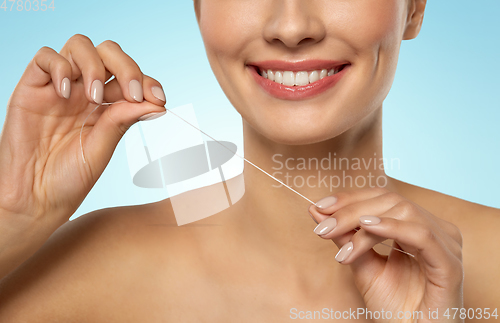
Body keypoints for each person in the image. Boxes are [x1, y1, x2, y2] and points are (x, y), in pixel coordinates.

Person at [0, 0, 498, 321]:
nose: (292, 26)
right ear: (198, 9)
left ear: (412, 9)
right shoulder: (84, 276)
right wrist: (13, 216)